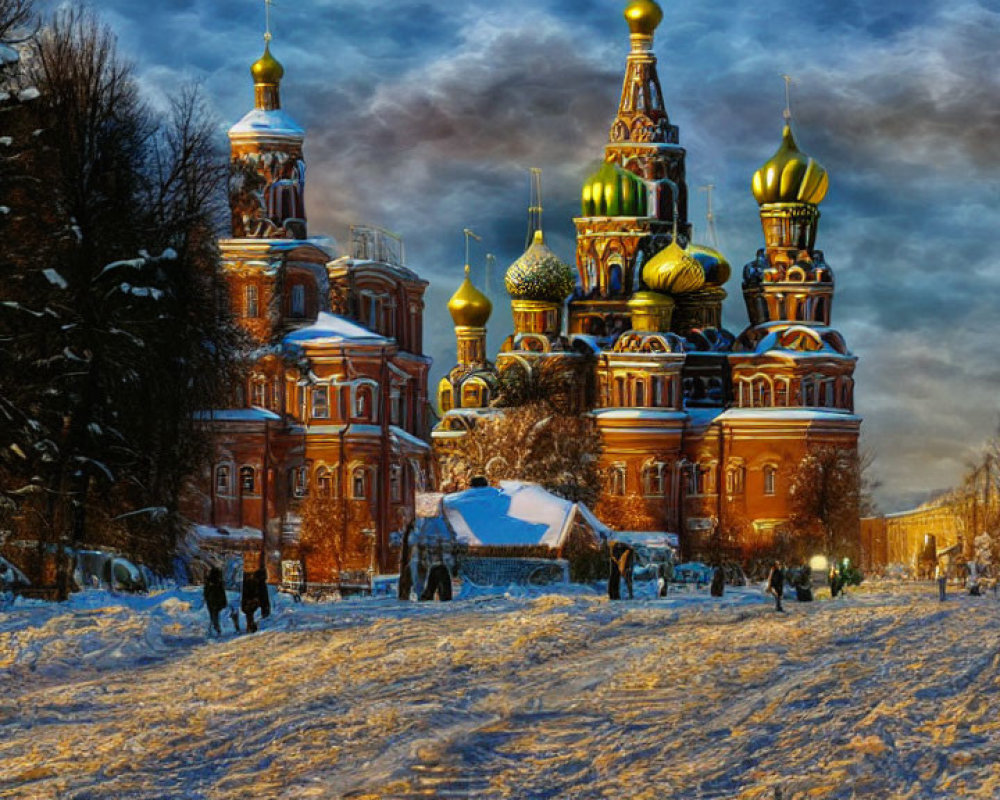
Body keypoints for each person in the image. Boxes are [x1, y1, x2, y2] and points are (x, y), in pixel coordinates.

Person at [203, 566, 228, 636]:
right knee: (215, 615)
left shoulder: (208, 581)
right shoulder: (219, 582)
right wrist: (224, 601)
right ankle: (216, 628)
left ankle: (214, 628)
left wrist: (206, 598)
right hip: (217, 601)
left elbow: (205, 591)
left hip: (210, 601)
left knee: (212, 615)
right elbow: (222, 593)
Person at [241, 568, 261, 632]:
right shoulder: (251, 582)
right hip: (249, 600)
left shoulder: (247, 582)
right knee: (249, 614)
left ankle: (250, 626)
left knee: (249, 614)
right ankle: (250, 626)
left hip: (249, 600)